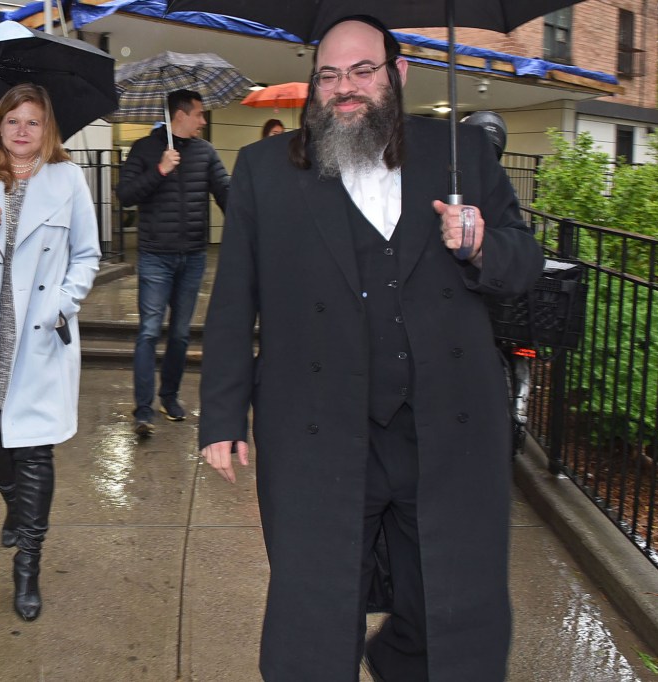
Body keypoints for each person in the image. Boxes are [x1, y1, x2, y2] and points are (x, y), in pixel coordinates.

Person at [198, 16, 544, 682]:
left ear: (398, 75)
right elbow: (235, 298)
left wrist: (480, 244)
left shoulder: (463, 154)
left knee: (450, 601)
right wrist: (221, 415)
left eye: (362, 71)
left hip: (447, 425)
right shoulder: (264, 170)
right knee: (315, 604)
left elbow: (525, 261)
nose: (344, 88)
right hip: (317, 424)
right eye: (328, 75)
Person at [0, 83, 101, 622]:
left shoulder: (68, 178)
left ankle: (27, 563)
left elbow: (87, 253)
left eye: (33, 121)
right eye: (13, 121)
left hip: (39, 330)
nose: (22, 130)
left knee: (36, 448)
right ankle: (13, 501)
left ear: (46, 127)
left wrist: (63, 301)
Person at [115, 89, 229, 436]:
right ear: (180, 115)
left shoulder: (205, 152)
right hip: (154, 257)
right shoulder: (145, 149)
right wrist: (160, 171)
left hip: (193, 256)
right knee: (149, 333)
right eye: (199, 114)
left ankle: (170, 396)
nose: (203, 121)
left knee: (180, 335)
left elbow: (228, 194)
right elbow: (124, 196)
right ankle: (144, 410)